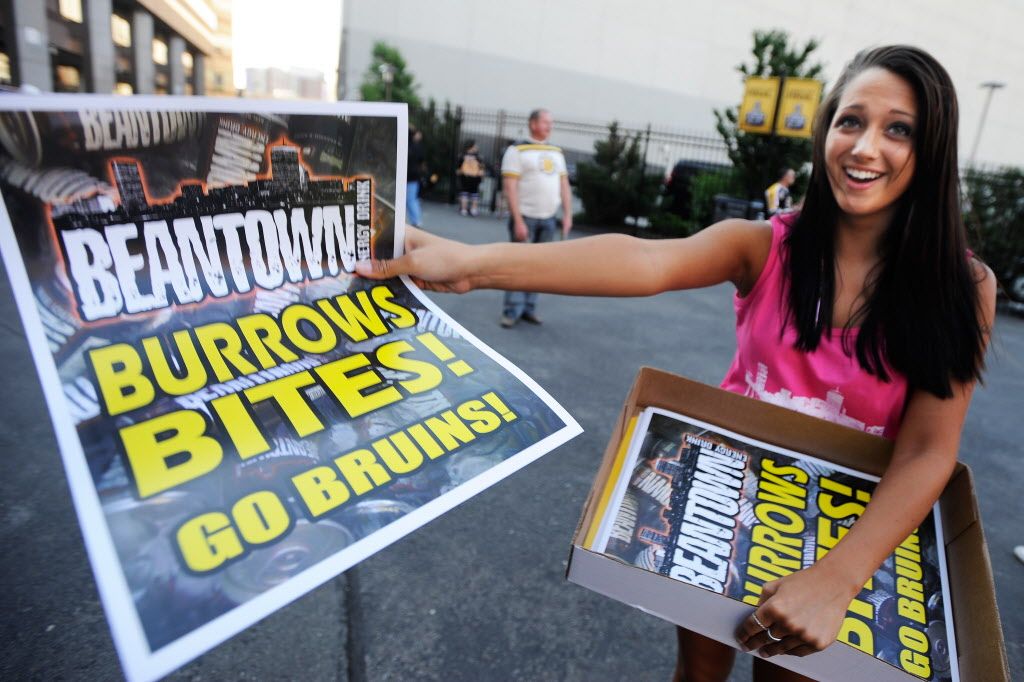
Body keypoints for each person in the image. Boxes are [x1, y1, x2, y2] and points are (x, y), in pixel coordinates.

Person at [358, 45, 995, 681]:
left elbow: (927, 453)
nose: (864, 147)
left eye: (899, 129)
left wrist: (837, 579)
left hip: (845, 535)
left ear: (931, 150)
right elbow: (643, 259)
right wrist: (469, 264)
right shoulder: (765, 245)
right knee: (697, 670)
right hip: (719, 507)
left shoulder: (963, 286)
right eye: (851, 120)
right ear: (826, 128)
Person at [498, 108, 573, 327]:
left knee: (539, 268)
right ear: (532, 124)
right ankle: (511, 311)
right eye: (545, 122)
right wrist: (518, 220)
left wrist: (567, 215)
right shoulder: (517, 151)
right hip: (526, 218)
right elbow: (509, 187)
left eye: (551, 123)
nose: (550, 127)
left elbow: (564, 185)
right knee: (517, 265)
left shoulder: (556, 152)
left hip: (548, 218)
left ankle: (528, 308)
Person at [456, 140, 487, 217]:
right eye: (475, 145)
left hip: (465, 177)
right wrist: (481, 174)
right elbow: (482, 168)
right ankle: (473, 210)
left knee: (464, 193)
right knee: (474, 194)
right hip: (475, 178)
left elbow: (458, 168)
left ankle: (464, 209)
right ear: (472, 146)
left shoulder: (462, 156)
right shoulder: (478, 157)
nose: (477, 147)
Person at [406, 126, 426, 228]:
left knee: (405, 199)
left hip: (404, 175)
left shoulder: (402, 145)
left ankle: (415, 220)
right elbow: (422, 161)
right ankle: (416, 220)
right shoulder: (417, 146)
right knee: (412, 199)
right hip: (414, 176)